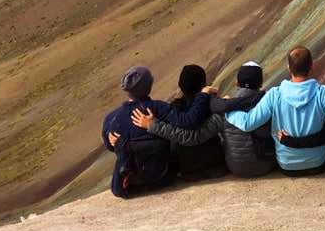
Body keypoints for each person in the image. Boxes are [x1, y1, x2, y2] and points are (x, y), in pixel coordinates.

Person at [222, 47, 325, 176]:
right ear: (311, 66)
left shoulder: (275, 94)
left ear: (288, 67)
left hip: (287, 165)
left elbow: (248, 123)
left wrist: (227, 108)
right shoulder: (322, 93)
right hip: (318, 163)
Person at [132, 61, 276, 178]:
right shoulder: (269, 101)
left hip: (231, 168)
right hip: (263, 165)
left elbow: (194, 136)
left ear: (237, 83)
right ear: (261, 83)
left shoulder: (222, 109)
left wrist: (154, 125)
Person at [101, 65, 212, 197]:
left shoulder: (111, 118)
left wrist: (114, 139)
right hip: (160, 177)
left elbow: (110, 147)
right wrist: (203, 95)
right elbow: (189, 121)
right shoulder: (157, 108)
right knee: (171, 141)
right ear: (148, 86)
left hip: (125, 183)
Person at [164, 65, 228, 181]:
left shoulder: (174, 109)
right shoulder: (212, 104)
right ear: (203, 84)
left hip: (189, 171)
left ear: (181, 86)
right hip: (217, 166)